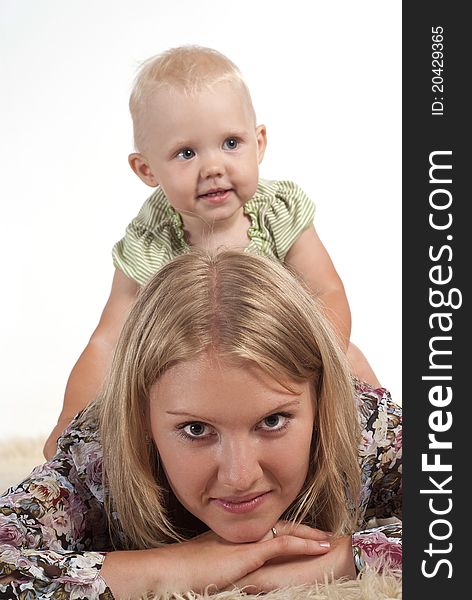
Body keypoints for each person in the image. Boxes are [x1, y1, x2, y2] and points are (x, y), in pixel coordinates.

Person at [43, 45, 381, 459]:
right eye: (187, 153)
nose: (213, 167)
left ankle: (384, 449)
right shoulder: (153, 240)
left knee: (350, 359)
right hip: (199, 378)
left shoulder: (277, 211)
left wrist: (313, 363)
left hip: (286, 355)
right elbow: (108, 341)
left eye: (231, 143)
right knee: (134, 410)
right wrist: (69, 419)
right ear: (147, 170)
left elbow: (327, 290)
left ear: (258, 144)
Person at [1, 251, 401, 599]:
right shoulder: (98, 454)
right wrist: (175, 567)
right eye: (196, 430)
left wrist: (337, 559)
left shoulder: (363, 425)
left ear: (319, 402)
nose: (240, 476)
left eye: (273, 421)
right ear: (142, 417)